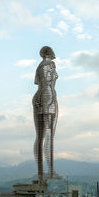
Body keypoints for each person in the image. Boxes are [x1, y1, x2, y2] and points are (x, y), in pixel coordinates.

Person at [32, 46, 59, 182]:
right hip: (47, 97)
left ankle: (41, 173)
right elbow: (47, 82)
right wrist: (48, 101)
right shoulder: (49, 64)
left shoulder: (40, 65)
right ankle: (49, 171)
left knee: (41, 136)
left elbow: (38, 82)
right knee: (48, 135)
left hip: (41, 96)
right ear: (49, 53)